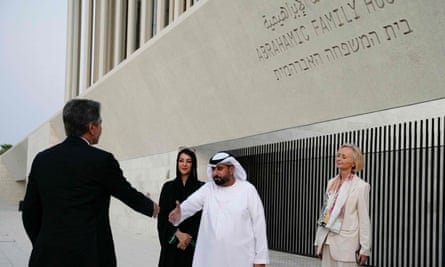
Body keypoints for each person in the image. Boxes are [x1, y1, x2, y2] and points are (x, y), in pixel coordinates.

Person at [21, 99, 160, 267]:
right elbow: (126, 193)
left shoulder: (42, 160)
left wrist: (43, 243)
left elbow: (29, 212)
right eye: (100, 124)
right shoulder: (102, 160)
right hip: (90, 256)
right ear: (92, 127)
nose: (101, 129)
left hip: (47, 257)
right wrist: (151, 207)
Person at [168, 152, 269, 267]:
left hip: (241, 258)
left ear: (231, 169)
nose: (215, 173)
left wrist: (260, 260)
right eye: (213, 169)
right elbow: (190, 205)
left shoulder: (248, 190)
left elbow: (259, 226)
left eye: (220, 169)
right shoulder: (208, 189)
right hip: (211, 258)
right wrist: (179, 214)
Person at [314, 144, 372, 267]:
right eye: (338, 155)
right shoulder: (331, 183)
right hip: (326, 242)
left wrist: (365, 248)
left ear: (353, 163)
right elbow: (325, 212)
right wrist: (318, 241)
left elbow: (364, 220)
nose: (339, 158)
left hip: (346, 245)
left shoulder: (361, 186)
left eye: (344, 157)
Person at [157, 148, 204, 267]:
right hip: (172, 244)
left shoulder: (201, 187)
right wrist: (177, 234)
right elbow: (162, 216)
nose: (184, 164)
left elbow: (203, 217)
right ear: (177, 163)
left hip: (192, 245)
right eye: (181, 160)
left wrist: (189, 236)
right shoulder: (168, 187)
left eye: (188, 161)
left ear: (193, 164)